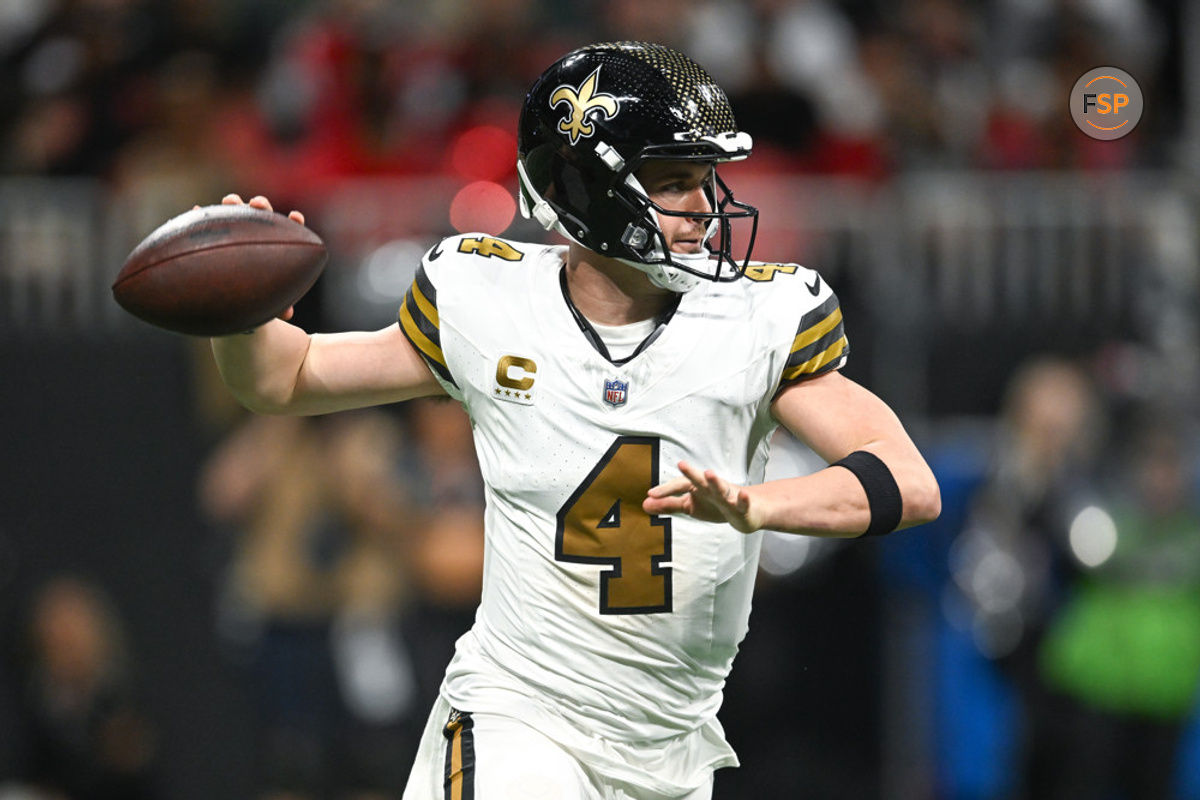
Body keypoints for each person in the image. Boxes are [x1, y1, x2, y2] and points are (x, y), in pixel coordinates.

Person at [209, 41, 940, 800]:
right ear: (585, 188)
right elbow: (283, 377)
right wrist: (238, 317)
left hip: (669, 748)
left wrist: (760, 505)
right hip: (521, 718)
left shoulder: (753, 318)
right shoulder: (487, 300)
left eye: (706, 179)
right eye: (674, 182)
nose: (706, 208)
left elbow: (907, 480)